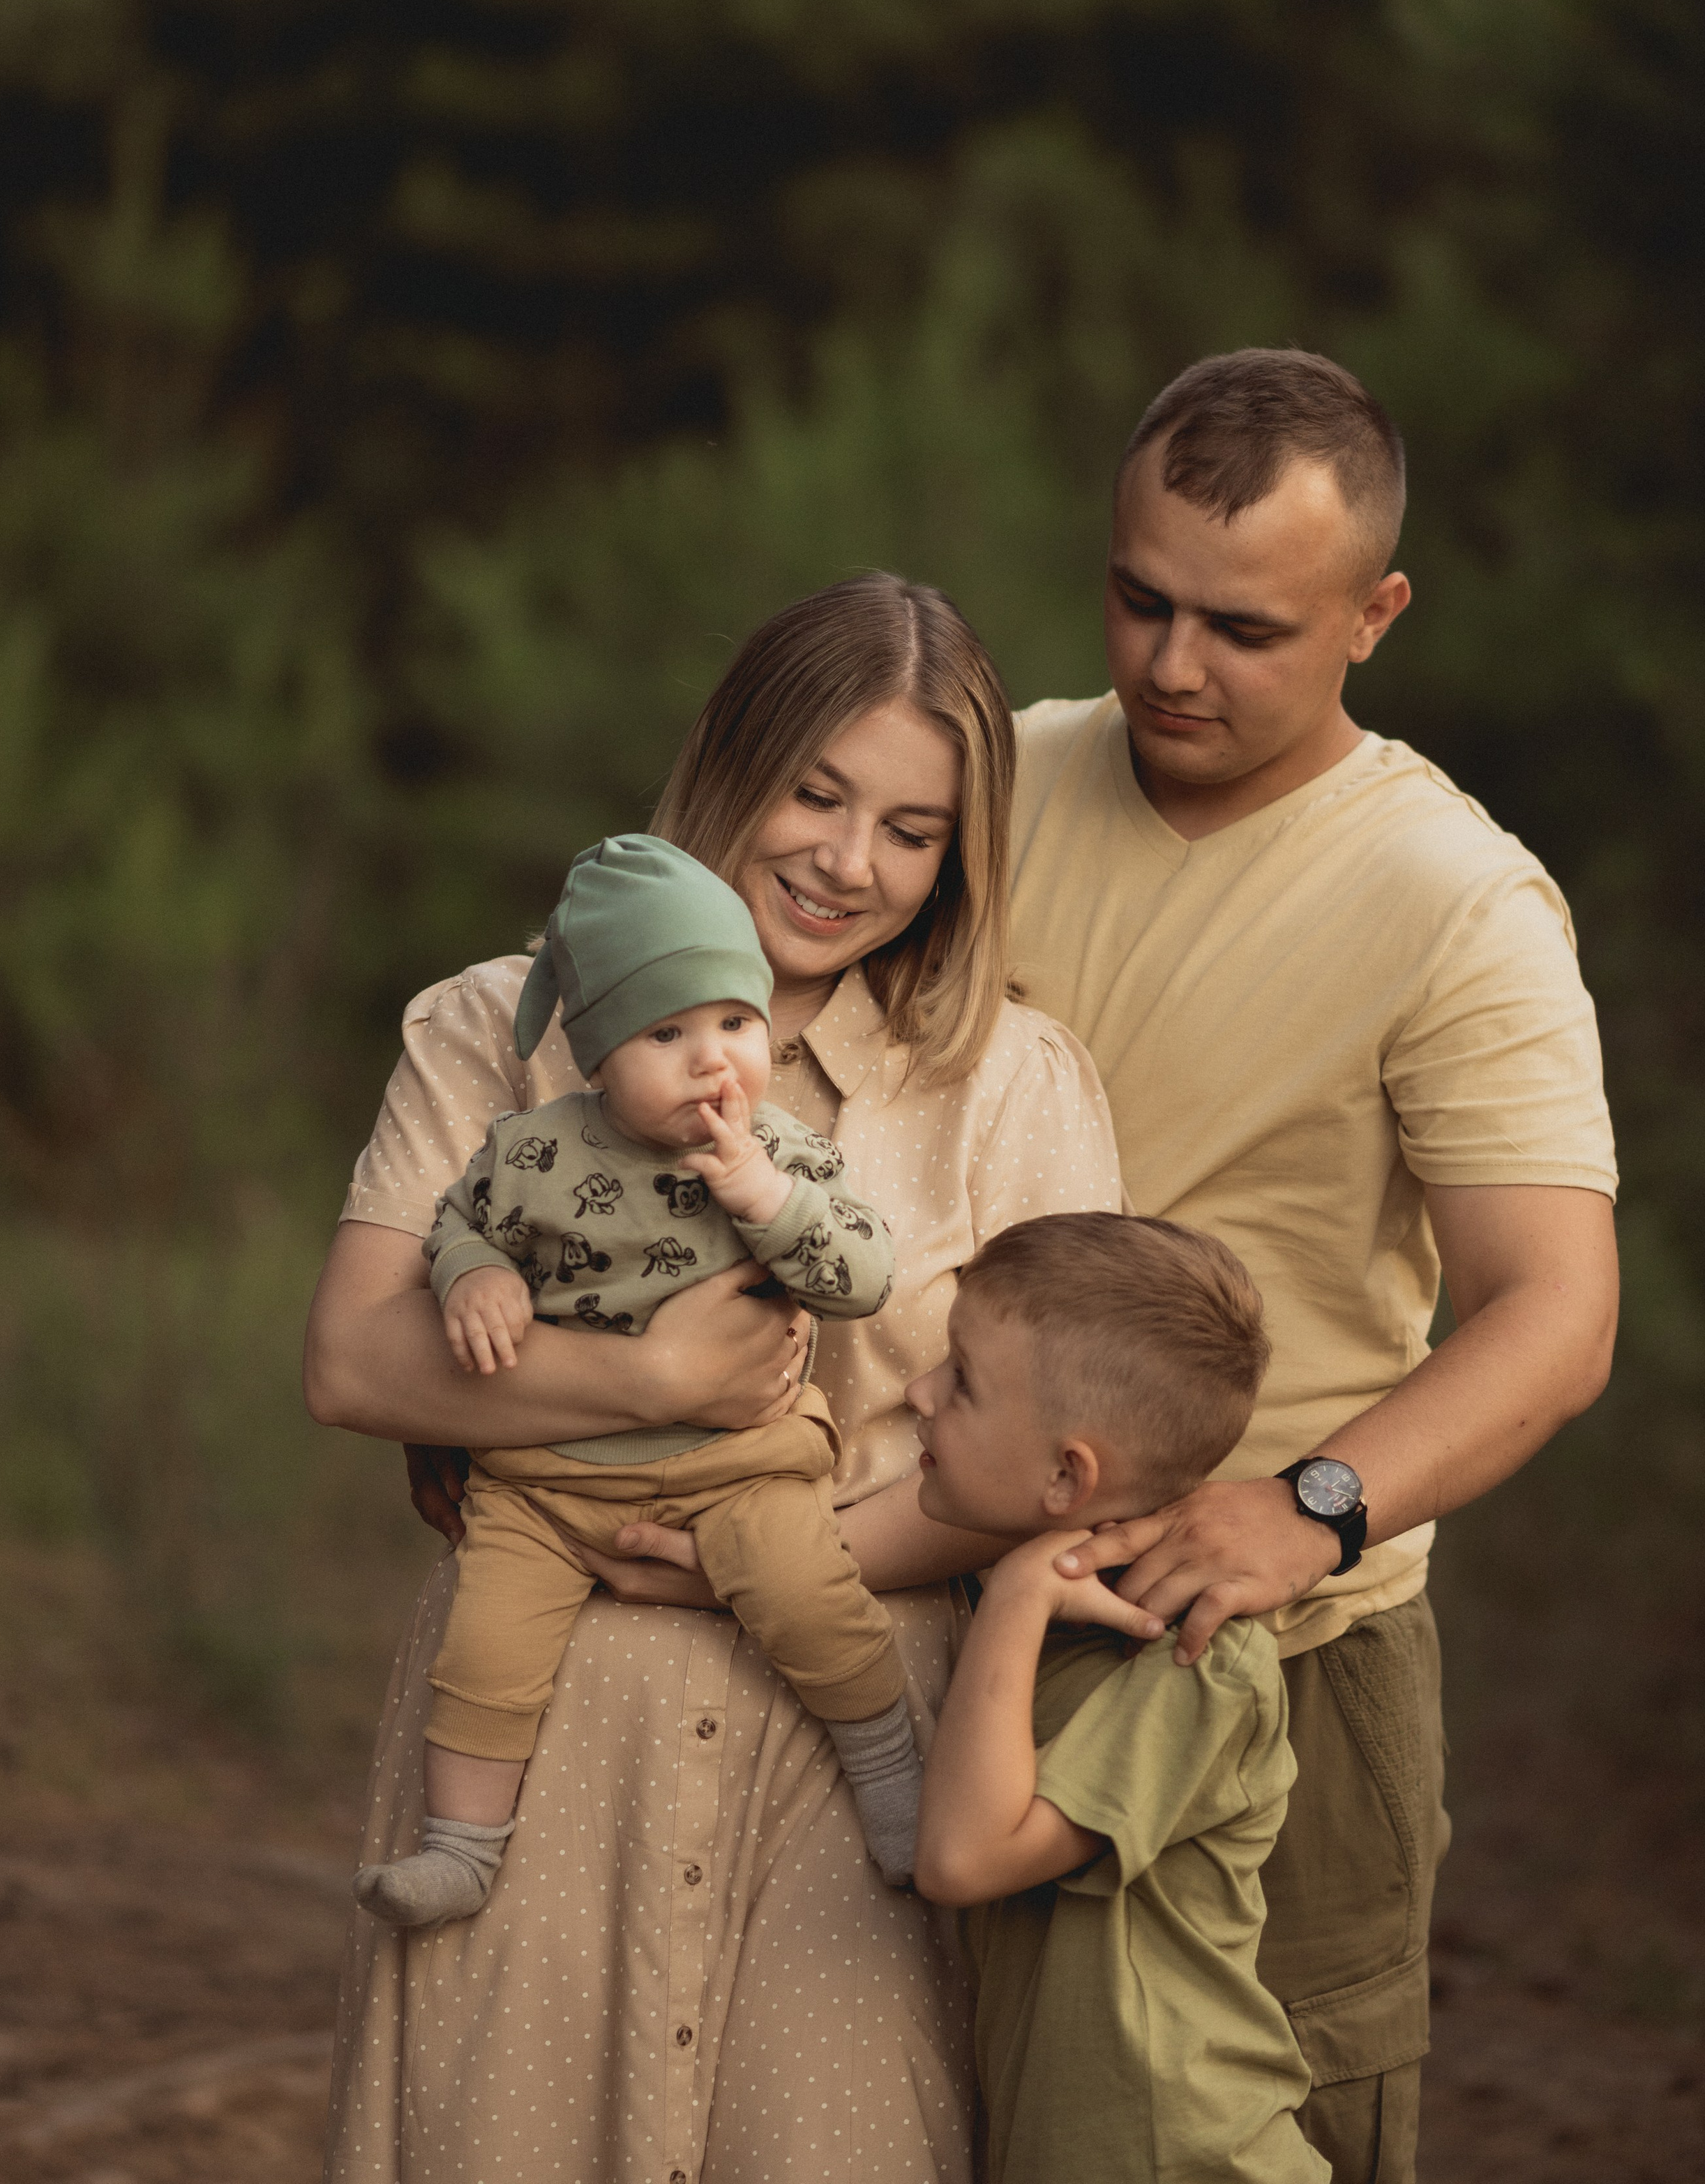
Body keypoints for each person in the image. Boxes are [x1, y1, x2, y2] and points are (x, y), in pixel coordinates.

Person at [304, 573, 1137, 2184]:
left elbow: (1060, 1456)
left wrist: (755, 1566)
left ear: (960, 853)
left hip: (850, 1742)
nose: (846, 860)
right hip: (544, 1731)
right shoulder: (498, 1026)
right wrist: (641, 1380)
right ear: (725, 767)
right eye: (814, 792)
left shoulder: (1010, 1086)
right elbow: (351, 1358)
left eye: (909, 827)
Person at [1008, 348, 1620, 2184]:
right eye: (1140, 600)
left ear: (1377, 615)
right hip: (940, 1618)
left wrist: (1314, 1506)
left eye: (1244, 628)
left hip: (1273, 1662)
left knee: (1275, 2144)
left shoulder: (1454, 899)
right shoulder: (986, 777)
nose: (1171, 667)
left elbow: (1559, 1312)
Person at [352, 832, 920, 1929]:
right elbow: (456, 1227)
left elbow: (862, 1277)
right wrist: (474, 1279)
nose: (716, 1062)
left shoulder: (786, 1153)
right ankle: (460, 1850)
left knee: (817, 1601)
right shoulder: (534, 1153)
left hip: (741, 1467)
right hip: (547, 1481)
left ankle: (893, 1784)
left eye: (736, 1024)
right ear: (598, 1055)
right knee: (487, 1645)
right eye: (669, 1033)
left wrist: (764, 1197)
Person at [910, 1212, 1329, 2184]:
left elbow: (964, 1857)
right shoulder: (1028, 1614)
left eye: (961, 1381)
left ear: (1070, 1475)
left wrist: (1018, 1590)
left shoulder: (1197, 1661)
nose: (917, 1391)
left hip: (1179, 2154)